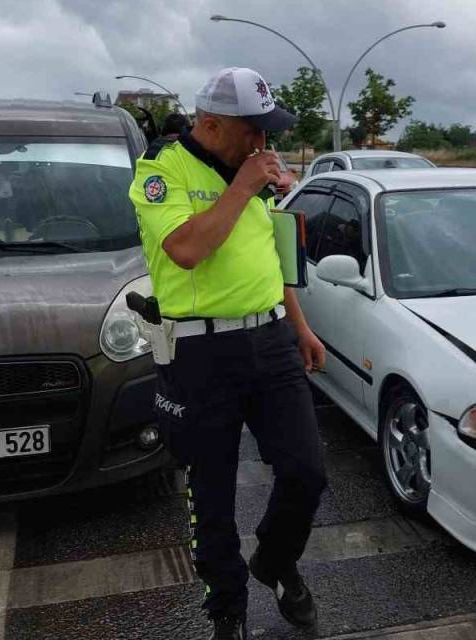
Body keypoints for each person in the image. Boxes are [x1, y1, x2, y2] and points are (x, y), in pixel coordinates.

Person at [127, 67, 328, 640]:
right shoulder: (162, 171)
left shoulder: (254, 173)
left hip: (271, 340)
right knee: (210, 490)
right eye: (253, 130)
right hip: (201, 352)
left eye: (268, 131)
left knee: (306, 471)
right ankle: (228, 607)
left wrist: (301, 327)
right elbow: (188, 249)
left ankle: (275, 559)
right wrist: (242, 186)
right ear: (211, 124)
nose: (263, 143)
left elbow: (269, 258)